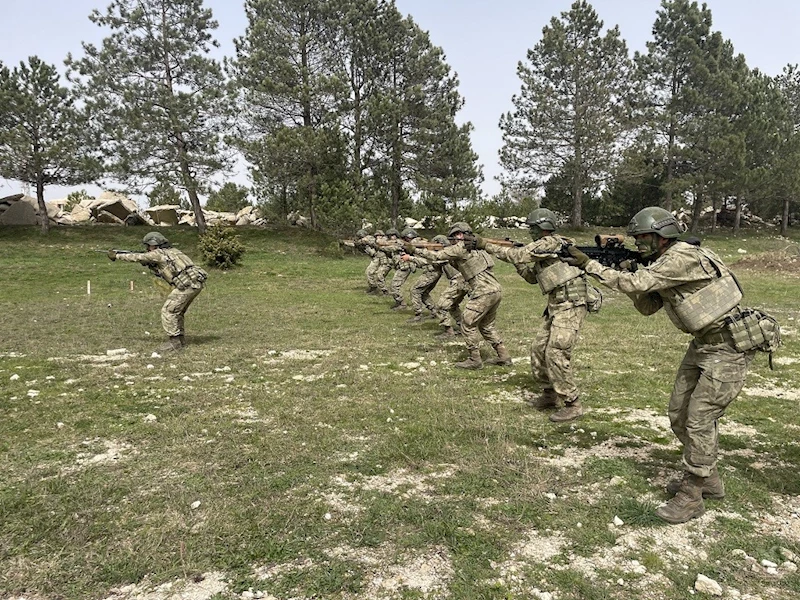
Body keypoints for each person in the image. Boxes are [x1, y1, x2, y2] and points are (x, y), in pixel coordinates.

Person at [564, 206, 758, 524]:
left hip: (729, 346)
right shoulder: (661, 263)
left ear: (661, 235)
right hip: (703, 345)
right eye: (636, 239)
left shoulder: (682, 257)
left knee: (698, 420)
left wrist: (593, 265)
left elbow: (639, 283)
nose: (638, 244)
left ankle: (692, 495)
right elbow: (648, 305)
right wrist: (627, 270)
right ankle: (709, 479)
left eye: (642, 238)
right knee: (679, 415)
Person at [473, 208, 593, 422]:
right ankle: (549, 394)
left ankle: (572, 403)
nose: (531, 232)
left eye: (533, 228)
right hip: (556, 306)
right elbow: (531, 278)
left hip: (572, 304)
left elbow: (518, 254)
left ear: (544, 228)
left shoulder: (552, 242)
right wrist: (519, 264)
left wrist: (485, 244)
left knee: (556, 351)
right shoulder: (543, 253)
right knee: (538, 349)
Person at [403, 222, 510, 369]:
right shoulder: (478, 247)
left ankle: (475, 360)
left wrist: (414, 249)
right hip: (495, 290)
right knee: (486, 326)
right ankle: (504, 356)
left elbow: (437, 256)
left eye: (454, 235)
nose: (453, 239)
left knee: (467, 324)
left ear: (460, 235)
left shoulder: (461, 247)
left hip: (483, 291)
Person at [108, 231, 207, 352]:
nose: (147, 249)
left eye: (148, 246)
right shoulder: (174, 251)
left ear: (153, 245)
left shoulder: (157, 254)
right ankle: (180, 340)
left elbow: (136, 257)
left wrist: (117, 256)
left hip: (186, 286)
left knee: (168, 311)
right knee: (177, 311)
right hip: (196, 283)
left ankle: (174, 342)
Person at [431, 235, 468, 338]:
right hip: (463, 281)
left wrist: (412, 257)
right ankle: (463, 329)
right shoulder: (452, 251)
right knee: (453, 306)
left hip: (459, 281)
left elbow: (431, 260)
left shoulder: (447, 253)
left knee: (441, 306)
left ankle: (448, 331)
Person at [405, 238, 446, 324]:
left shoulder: (441, 254)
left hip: (431, 273)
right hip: (432, 273)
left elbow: (425, 261)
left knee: (415, 290)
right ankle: (434, 311)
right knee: (424, 293)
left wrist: (410, 258)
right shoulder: (437, 253)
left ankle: (418, 314)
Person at [355, 228, 389, 295]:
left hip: (380, 258)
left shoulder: (369, 238)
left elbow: (372, 242)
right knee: (369, 272)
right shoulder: (364, 240)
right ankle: (373, 287)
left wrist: (361, 242)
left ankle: (384, 290)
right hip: (375, 258)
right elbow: (356, 243)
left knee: (378, 275)